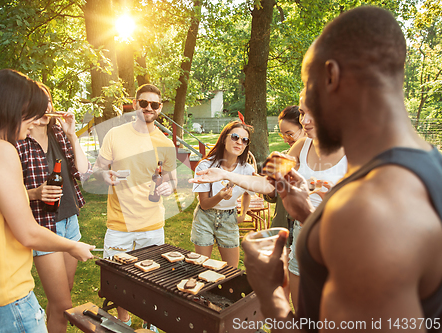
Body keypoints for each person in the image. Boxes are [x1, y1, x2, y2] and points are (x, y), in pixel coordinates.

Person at [200, 6, 442, 331]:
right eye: (300, 113)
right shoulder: (427, 164)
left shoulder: (372, 211)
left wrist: (270, 292)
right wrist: (305, 215)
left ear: (331, 76)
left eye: (309, 90)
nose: (304, 121)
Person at [0, 69, 94, 333]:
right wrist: (72, 246)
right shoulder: (0, 150)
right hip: (2, 301)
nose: (36, 122)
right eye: (33, 114)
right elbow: (27, 233)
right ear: (15, 108)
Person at [93, 83, 177, 331]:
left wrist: (169, 188)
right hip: (119, 224)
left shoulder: (166, 143)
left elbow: (172, 180)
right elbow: (98, 168)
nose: (148, 108)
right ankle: (125, 321)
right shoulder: (115, 134)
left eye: (154, 104)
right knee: (119, 280)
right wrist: (103, 176)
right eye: (144, 103)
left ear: (160, 108)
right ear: (135, 103)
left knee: (151, 280)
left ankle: (148, 324)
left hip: (152, 224)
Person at [15, 84, 92, 333]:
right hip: (43, 228)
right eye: (41, 102)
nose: (48, 107)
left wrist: (73, 135)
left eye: (49, 101)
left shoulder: (58, 133)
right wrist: (34, 193)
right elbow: (5, 193)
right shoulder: (17, 143)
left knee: (64, 292)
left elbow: (83, 172)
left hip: (70, 220)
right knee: (63, 304)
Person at [283, 94, 347, 312]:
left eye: (313, 113)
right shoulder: (301, 146)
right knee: (303, 314)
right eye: (302, 113)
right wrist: (230, 176)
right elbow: (269, 182)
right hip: (302, 236)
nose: (304, 121)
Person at [191, 120, 253, 268]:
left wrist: (243, 214)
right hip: (205, 218)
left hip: (229, 218)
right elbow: (205, 204)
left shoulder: (247, 169)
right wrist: (220, 196)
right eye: (235, 137)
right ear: (224, 138)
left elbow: (248, 193)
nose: (239, 142)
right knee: (201, 266)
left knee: (231, 270)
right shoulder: (206, 166)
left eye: (244, 140)